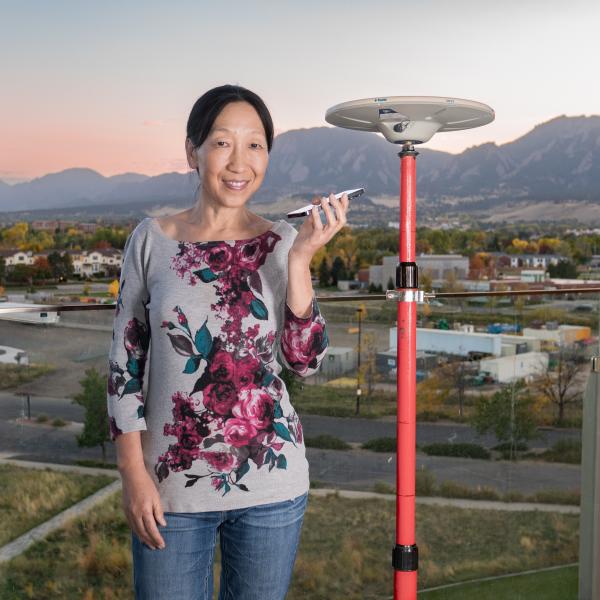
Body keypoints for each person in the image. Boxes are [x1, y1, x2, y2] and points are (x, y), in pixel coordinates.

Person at [107, 84, 350, 600]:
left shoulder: (283, 241)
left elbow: (306, 363)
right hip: (168, 490)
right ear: (192, 151)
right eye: (222, 143)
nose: (240, 161)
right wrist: (132, 473)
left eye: (255, 145)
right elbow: (124, 366)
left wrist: (301, 260)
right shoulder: (151, 240)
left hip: (271, 484)